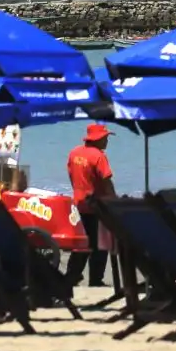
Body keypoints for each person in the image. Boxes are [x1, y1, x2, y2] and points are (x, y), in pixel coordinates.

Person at [65, 123, 116, 287]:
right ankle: (95, 279)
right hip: (97, 206)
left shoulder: (74, 153)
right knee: (100, 245)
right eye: (105, 138)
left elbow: (71, 176)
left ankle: (72, 276)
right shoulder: (99, 156)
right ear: (98, 138)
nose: (107, 141)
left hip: (78, 204)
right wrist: (114, 201)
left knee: (81, 243)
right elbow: (106, 181)